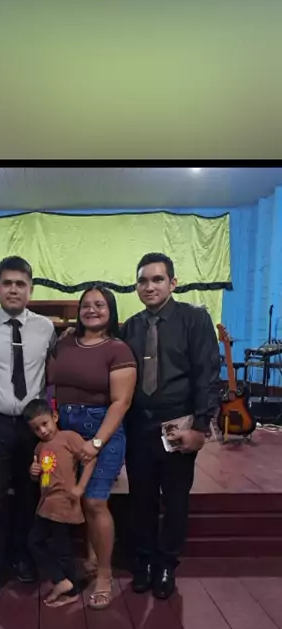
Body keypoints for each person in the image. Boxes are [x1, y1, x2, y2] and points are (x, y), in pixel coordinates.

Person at [120, 252, 220, 600]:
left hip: (179, 424)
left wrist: (201, 428)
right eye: (143, 281)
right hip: (139, 426)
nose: (149, 286)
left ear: (173, 283)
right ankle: (145, 561)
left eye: (157, 279)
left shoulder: (194, 319)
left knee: (175, 500)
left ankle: (166, 564)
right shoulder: (130, 327)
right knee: (141, 499)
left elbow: (207, 373)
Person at [0, 257, 57, 602]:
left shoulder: (46, 329)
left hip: (33, 427)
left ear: (31, 289)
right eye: (7, 283)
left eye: (21, 284)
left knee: (30, 492)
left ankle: (22, 554)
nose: (14, 289)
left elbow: (51, 373)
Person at [47, 285, 136, 609]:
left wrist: (97, 442)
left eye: (100, 305)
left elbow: (121, 401)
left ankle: (104, 575)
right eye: (86, 304)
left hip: (102, 427)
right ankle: (90, 558)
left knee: (95, 501)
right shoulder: (65, 342)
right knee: (74, 496)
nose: (92, 310)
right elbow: (50, 380)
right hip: (65, 427)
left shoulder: (118, 349)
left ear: (111, 311)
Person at [24, 398, 98, 608]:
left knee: (62, 549)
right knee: (36, 542)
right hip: (47, 505)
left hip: (64, 504)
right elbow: (43, 477)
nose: (42, 430)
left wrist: (80, 487)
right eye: (36, 428)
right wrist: (33, 473)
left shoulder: (69, 438)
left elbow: (90, 459)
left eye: (45, 423)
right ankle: (62, 581)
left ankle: (70, 588)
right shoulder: (39, 448)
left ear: (55, 417)